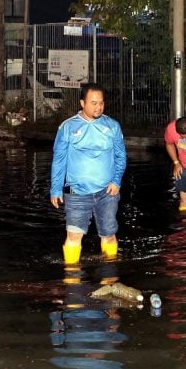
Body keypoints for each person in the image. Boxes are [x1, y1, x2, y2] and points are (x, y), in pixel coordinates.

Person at [50, 83, 127, 265]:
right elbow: (59, 159)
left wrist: (116, 182)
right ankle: (72, 279)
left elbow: (120, 156)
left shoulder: (112, 126)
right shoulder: (67, 127)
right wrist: (55, 189)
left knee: (109, 234)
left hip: (107, 192)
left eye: (101, 103)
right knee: (73, 235)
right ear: (82, 103)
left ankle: (109, 277)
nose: (98, 107)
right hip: (77, 193)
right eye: (93, 103)